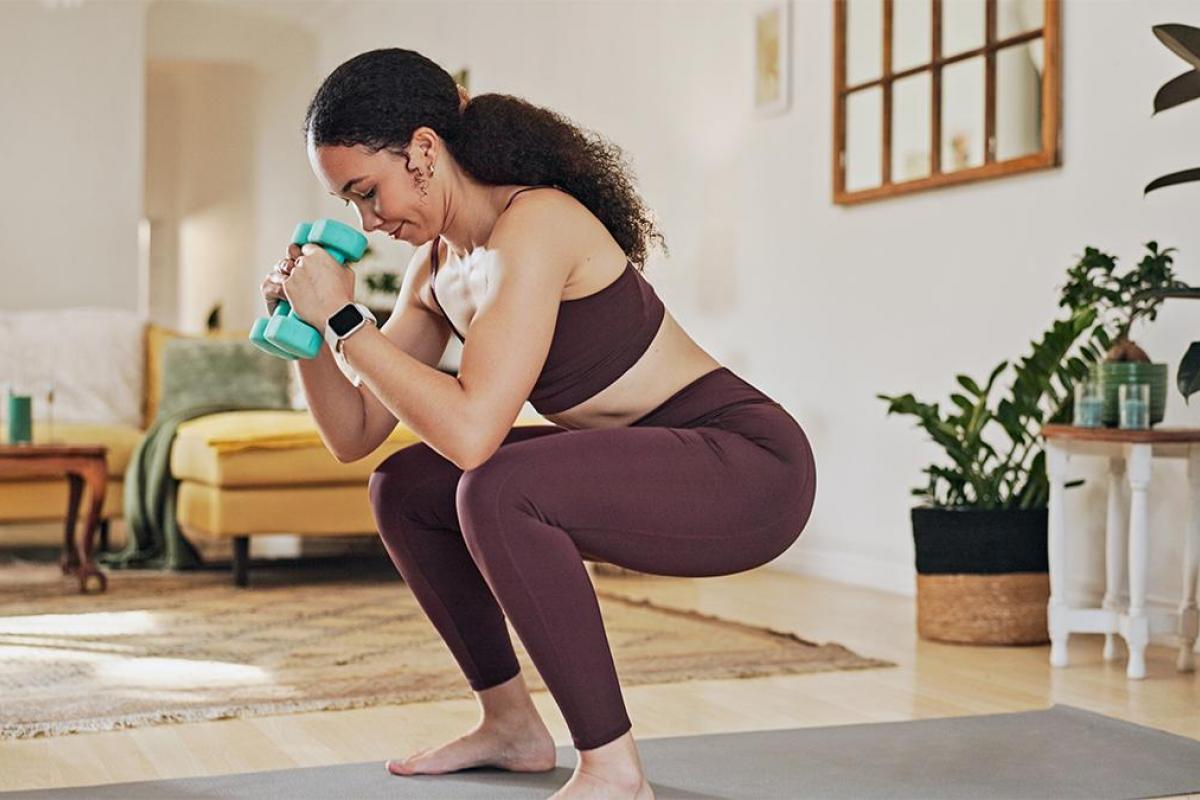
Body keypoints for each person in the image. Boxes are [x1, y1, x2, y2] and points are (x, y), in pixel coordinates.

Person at [262, 48, 817, 800]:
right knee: (406, 485)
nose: (367, 220)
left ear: (424, 152)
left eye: (368, 192)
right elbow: (355, 434)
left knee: (493, 485)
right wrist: (308, 330)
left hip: (749, 470)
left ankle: (614, 769)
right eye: (349, 205)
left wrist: (348, 320)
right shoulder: (437, 272)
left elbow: (471, 434)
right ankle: (512, 727)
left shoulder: (538, 224)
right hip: (652, 462)